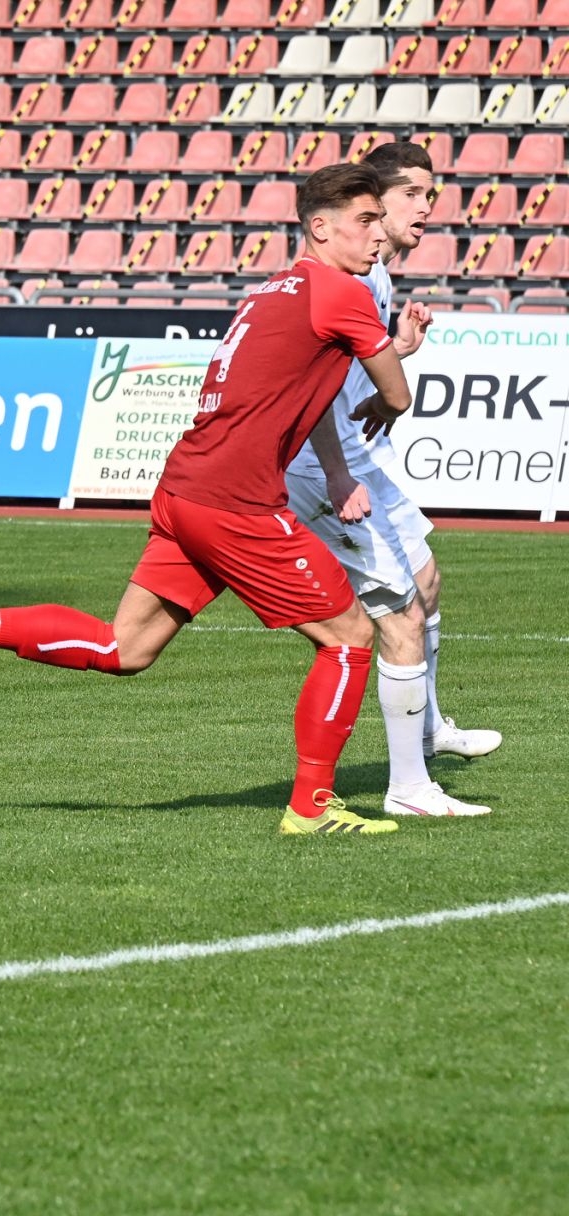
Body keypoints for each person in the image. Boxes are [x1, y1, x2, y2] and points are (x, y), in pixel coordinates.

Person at [0, 163, 411, 836]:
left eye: (379, 220)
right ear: (321, 228)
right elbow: (395, 394)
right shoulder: (341, 292)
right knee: (350, 637)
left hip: (187, 487)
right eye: (366, 220)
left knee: (123, 647)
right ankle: (310, 808)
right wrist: (389, 388)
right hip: (237, 501)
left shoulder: (274, 290)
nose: (379, 234)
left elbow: (304, 385)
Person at [284, 141, 499, 819]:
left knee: (426, 580)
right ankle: (409, 786)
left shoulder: (370, 276)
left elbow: (347, 368)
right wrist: (341, 465)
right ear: (373, 202)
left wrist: (397, 348)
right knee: (397, 614)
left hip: (351, 456)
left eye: (430, 195)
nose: (426, 208)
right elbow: (315, 385)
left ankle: (428, 728)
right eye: (413, 194)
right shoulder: (351, 275)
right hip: (323, 466)